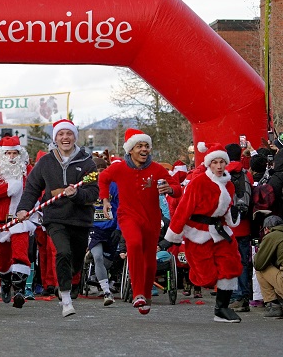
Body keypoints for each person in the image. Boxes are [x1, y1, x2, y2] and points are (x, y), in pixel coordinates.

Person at [17, 119, 98, 317]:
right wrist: (23, 209)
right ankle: (66, 299)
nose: (65, 138)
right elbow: (32, 188)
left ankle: (65, 282)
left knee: (75, 261)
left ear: (74, 137)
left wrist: (76, 195)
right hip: (55, 217)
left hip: (80, 220)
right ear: (55, 138)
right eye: (61, 134)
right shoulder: (45, 162)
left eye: (69, 134)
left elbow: (93, 192)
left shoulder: (87, 163)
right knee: (62, 252)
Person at [98, 128, 181, 315]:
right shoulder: (119, 168)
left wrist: (171, 189)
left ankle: (146, 297)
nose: (144, 150)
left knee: (150, 260)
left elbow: (177, 187)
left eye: (146, 146)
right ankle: (138, 294)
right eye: (139, 146)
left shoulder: (157, 168)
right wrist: (105, 200)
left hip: (152, 219)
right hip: (128, 216)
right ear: (130, 150)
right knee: (134, 244)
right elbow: (103, 178)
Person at [164, 142, 243, 323]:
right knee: (205, 278)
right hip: (198, 233)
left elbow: (227, 209)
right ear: (208, 164)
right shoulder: (198, 182)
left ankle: (221, 309)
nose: (219, 166)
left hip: (221, 232)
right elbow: (183, 209)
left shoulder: (229, 184)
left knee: (230, 267)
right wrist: (172, 237)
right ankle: (197, 278)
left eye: (221, 162)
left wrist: (235, 215)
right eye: (214, 162)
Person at [0, 135, 39, 309]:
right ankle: (5, 281)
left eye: (15, 153)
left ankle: (20, 290)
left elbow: (37, 189)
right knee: (4, 258)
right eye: (8, 153)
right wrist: (7, 189)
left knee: (21, 253)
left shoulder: (27, 170)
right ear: (2, 155)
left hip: (20, 219)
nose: (12, 157)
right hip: (0, 222)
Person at [225, 143, 253, 313]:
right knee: (244, 261)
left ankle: (237, 296)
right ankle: (245, 295)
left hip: (230, 225)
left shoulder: (224, 174)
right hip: (245, 225)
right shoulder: (246, 174)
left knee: (232, 262)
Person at [89, 157, 121, 306]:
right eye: (97, 170)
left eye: (102, 169)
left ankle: (99, 272)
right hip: (94, 229)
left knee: (107, 261)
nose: (100, 172)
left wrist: (119, 229)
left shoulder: (114, 186)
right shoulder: (88, 186)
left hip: (111, 228)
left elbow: (122, 208)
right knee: (98, 258)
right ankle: (107, 292)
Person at [253, 215, 283, 318]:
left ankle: (273, 305)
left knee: (261, 269)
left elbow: (258, 263)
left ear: (266, 228)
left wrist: (263, 244)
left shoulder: (272, 235)